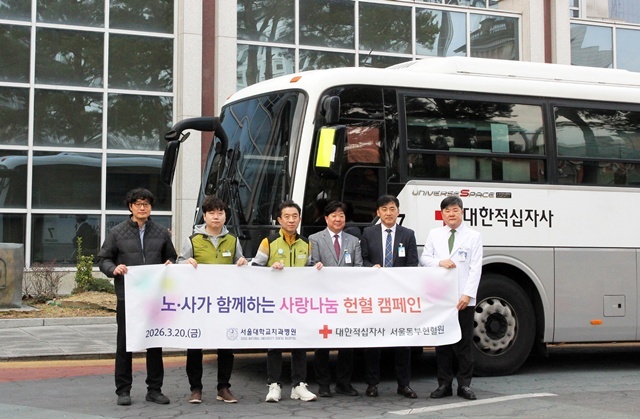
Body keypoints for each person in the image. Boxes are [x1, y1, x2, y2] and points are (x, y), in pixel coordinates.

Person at [97, 188, 177, 406]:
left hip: (153, 296)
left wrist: (170, 263)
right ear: (130, 207)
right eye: (138, 204)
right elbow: (103, 259)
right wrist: (113, 269)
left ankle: (155, 390)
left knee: (154, 342)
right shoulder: (117, 232)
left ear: (151, 207)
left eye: (146, 204)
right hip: (128, 297)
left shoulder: (161, 232)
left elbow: (171, 256)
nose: (143, 208)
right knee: (125, 344)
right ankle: (123, 390)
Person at [178, 196, 248, 404]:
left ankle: (223, 387)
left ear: (225, 216)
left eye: (220, 213)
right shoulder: (193, 240)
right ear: (205, 216)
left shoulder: (233, 240)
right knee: (195, 345)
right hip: (199, 303)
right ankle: (195, 389)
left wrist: (243, 262)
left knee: (225, 345)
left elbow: (240, 262)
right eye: (212, 213)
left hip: (224, 302)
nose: (216, 217)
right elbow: (179, 263)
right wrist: (185, 263)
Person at [252, 200, 318, 403]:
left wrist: (317, 267)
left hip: (298, 302)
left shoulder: (306, 243)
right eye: (287, 217)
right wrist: (271, 268)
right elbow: (255, 268)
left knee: (300, 342)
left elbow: (309, 267)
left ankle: (299, 385)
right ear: (279, 220)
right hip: (275, 302)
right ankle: (274, 385)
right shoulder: (268, 242)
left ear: (299, 219)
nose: (291, 220)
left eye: (295, 216)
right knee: (275, 343)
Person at [419, 196, 483, 401]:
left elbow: (476, 268)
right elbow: (424, 259)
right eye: (447, 211)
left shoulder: (473, 236)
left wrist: (467, 294)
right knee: (443, 342)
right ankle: (444, 384)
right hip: (442, 298)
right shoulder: (435, 234)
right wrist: (440, 262)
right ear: (442, 214)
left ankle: (464, 385)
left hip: (463, 298)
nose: (451, 214)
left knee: (464, 343)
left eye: (455, 210)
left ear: (462, 212)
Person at [359, 195, 419, 399]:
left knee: (402, 341)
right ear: (378, 212)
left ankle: (404, 384)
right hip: (375, 295)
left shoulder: (407, 234)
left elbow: (412, 264)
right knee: (373, 341)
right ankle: (372, 384)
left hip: (399, 296)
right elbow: (363, 260)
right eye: (384, 209)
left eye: (392, 209)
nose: (388, 213)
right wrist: (372, 268)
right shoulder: (368, 233)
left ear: (398, 211)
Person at [308, 201, 362, 398]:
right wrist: (316, 267)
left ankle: (344, 383)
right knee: (323, 342)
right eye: (334, 216)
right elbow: (311, 264)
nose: (338, 219)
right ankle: (323, 384)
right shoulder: (315, 239)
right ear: (326, 218)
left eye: (341, 215)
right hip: (325, 300)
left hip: (346, 299)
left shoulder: (353, 241)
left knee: (347, 342)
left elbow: (359, 267)